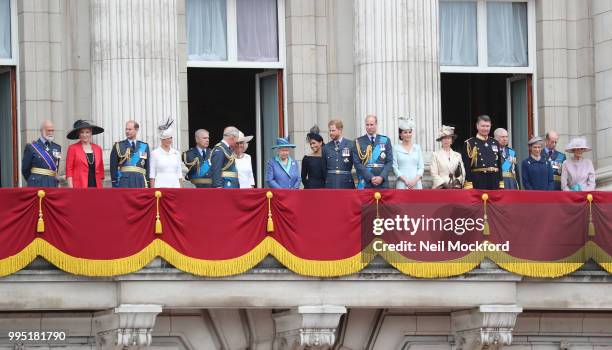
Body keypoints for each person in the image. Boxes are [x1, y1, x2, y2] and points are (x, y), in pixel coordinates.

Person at [461, 115, 504, 190]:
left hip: (494, 180)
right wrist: (469, 183)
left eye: (487, 126)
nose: (485, 128)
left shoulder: (495, 142)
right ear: (477, 126)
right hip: (478, 180)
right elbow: (466, 166)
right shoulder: (469, 143)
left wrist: (501, 182)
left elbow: (499, 164)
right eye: (483, 126)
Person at [354, 115, 394, 189]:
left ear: (376, 124)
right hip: (366, 182)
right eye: (367, 125)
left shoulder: (385, 140)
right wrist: (370, 177)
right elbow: (357, 163)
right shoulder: (358, 142)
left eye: (371, 124)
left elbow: (389, 161)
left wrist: (381, 177)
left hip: (382, 183)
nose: (369, 127)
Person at [109, 120, 150, 188]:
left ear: (136, 130)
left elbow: (147, 166)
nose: (127, 131)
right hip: (124, 181)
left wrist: (147, 181)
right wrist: (114, 182)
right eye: (126, 129)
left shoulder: (144, 146)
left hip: (140, 181)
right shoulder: (118, 145)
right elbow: (113, 167)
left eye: (130, 129)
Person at [22, 120, 62, 187]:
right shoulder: (31, 147)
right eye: (48, 130)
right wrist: (33, 181)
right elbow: (25, 170)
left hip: (52, 184)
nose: (51, 133)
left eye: (52, 130)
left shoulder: (57, 147)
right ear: (41, 131)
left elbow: (55, 168)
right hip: (37, 184)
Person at [65, 120, 105, 188]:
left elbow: (101, 172)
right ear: (78, 134)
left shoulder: (98, 149)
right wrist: (71, 189)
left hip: (96, 186)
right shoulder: (72, 148)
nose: (85, 135)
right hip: (79, 187)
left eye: (87, 132)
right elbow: (69, 171)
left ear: (91, 133)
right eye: (82, 132)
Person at [321, 119, 355, 189]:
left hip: (346, 183)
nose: (330, 133)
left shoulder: (351, 145)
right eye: (330, 130)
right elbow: (324, 168)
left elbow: (356, 164)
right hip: (331, 184)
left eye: (333, 130)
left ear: (340, 130)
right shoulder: (326, 147)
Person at [149, 120, 183, 188]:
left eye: (170, 138)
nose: (169, 140)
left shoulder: (176, 153)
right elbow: (152, 173)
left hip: (175, 186)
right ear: (161, 139)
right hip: (160, 185)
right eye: (166, 138)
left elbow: (179, 173)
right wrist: (152, 190)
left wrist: (181, 188)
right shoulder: (155, 153)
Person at [392, 117, 423, 189]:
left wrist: (415, 180)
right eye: (405, 132)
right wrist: (405, 180)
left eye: (409, 132)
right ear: (401, 135)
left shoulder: (417, 148)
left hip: (416, 183)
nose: (408, 134)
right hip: (402, 183)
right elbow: (395, 167)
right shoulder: (396, 148)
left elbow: (421, 167)